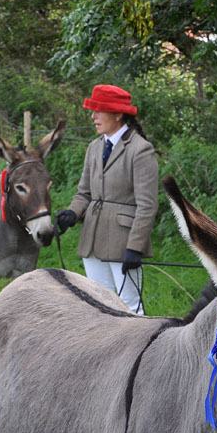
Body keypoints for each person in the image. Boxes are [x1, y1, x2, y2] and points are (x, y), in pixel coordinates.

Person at [55, 85, 159, 314]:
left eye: (98, 111)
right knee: (98, 304)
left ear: (118, 115)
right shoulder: (94, 147)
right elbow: (84, 193)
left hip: (124, 241)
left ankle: (137, 349)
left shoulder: (141, 150)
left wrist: (135, 247)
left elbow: (147, 205)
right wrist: (72, 213)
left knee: (130, 306)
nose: (93, 116)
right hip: (93, 237)